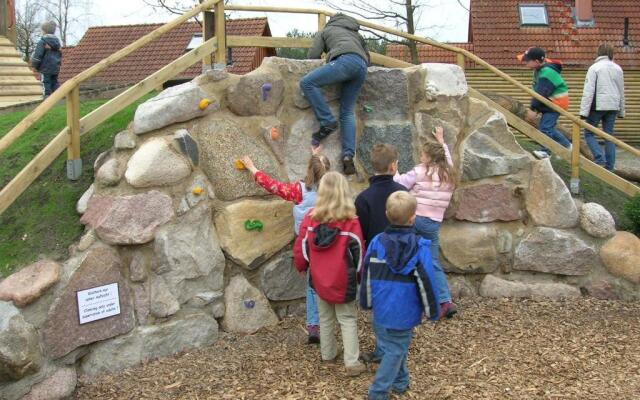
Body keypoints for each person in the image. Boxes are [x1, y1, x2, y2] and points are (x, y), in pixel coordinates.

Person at [241, 149, 330, 344]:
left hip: (307, 245)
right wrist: (314, 157)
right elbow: (318, 172)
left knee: (312, 285)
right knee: (328, 280)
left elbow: (273, 186)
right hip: (329, 243)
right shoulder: (332, 191)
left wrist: (253, 168)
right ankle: (330, 320)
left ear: (309, 170)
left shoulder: (299, 190)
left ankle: (314, 324)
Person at [359, 191, 441, 400]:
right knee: (395, 349)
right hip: (404, 312)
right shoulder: (420, 248)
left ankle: (401, 381)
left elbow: (366, 273)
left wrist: (367, 302)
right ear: (413, 217)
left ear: (387, 214)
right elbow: (427, 282)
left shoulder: (377, 243)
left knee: (394, 345)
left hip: (382, 308)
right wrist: (432, 310)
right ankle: (378, 393)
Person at [293, 171, 366, 377]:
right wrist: (359, 276)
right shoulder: (351, 222)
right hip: (344, 280)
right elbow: (359, 252)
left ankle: (328, 354)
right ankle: (351, 362)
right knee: (347, 318)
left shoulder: (310, 218)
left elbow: (302, 249)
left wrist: (302, 266)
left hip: (318, 279)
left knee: (325, 318)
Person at [393, 127, 457, 319]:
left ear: (428, 157)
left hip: (415, 218)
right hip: (433, 223)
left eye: (422, 154)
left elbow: (400, 184)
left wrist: (394, 171)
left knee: (406, 255)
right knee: (433, 260)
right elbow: (449, 159)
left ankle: (408, 297)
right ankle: (445, 301)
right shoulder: (449, 174)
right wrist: (441, 141)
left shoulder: (420, 171)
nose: (420, 156)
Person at [300, 13, 370, 175]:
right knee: (346, 112)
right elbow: (368, 57)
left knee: (307, 82)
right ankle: (348, 157)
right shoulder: (356, 33)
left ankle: (327, 121)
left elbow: (313, 55)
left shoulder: (326, 30)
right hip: (361, 67)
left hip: (344, 62)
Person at [518, 47, 571, 159]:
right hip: (550, 102)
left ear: (536, 61)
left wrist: (533, 110)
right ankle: (566, 146)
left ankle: (546, 151)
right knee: (548, 127)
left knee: (545, 128)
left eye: (527, 60)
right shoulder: (540, 69)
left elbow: (541, 93)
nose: (525, 62)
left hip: (555, 102)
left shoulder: (547, 72)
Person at [580, 43, 625, 171]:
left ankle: (600, 159)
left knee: (588, 133)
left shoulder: (595, 68)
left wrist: (583, 112)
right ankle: (610, 166)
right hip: (613, 106)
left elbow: (588, 91)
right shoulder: (618, 68)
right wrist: (621, 110)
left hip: (598, 105)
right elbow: (621, 91)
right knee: (608, 135)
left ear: (599, 52)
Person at [355, 143, 408, 245]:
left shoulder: (363, 198)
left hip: (375, 254)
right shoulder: (403, 193)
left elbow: (362, 232)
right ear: (393, 166)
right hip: (401, 253)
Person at [31, 21, 62, 98]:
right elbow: (60, 54)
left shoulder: (42, 42)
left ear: (44, 31)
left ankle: (46, 97)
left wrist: (35, 65)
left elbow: (38, 55)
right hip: (55, 67)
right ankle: (59, 95)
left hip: (45, 67)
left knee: (45, 82)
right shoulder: (57, 43)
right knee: (54, 82)